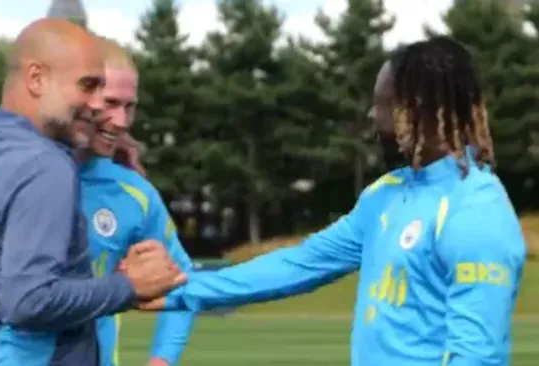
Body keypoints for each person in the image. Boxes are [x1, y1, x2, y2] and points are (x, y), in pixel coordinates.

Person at [138, 36, 527, 365]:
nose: (374, 116)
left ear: (417, 108)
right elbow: (297, 265)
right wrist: (183, 291)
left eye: (382, 103)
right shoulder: (385, 195)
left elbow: (477, 355)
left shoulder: (476, 210)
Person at [0, 38, 193, 366]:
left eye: (129, 106)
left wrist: (162, 359)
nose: (119, 121)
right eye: (108, 102)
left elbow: (182, 281)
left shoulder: (133, 193)